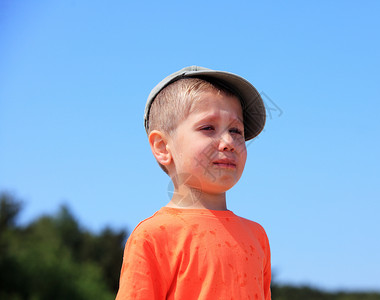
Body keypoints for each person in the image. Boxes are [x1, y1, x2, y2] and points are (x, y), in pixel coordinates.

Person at [115, 66, 271, 300]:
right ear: (162, 147)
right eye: (208, 128)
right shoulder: (153, 236)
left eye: (236, 131)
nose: (228, 141)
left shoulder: (257, 236)